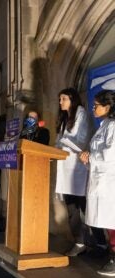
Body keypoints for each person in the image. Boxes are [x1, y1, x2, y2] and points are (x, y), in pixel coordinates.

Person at [55, 88, 106, 257]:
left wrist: (64, 141)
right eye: (60, 99)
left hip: (80, 168)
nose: (60, 102)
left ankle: (96, 242)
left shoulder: (81, 114)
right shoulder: (64, 118)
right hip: (66, 168)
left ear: (72, 99)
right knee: (73, 207)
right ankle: (81, 241)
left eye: (63, 99)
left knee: (84, 207)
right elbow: (58, 141)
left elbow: (81, 139)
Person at [79, 90, 115, 276]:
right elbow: (97, 157)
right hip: (100, 180)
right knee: (107, 221)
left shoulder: (113, 126)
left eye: (96, 105)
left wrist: (91, 157)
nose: (93, 108)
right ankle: (110, 254)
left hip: (110, 182)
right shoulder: (103, 126)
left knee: (112, 220)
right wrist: (87, 159)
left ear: (107, 107)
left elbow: (111, 154)